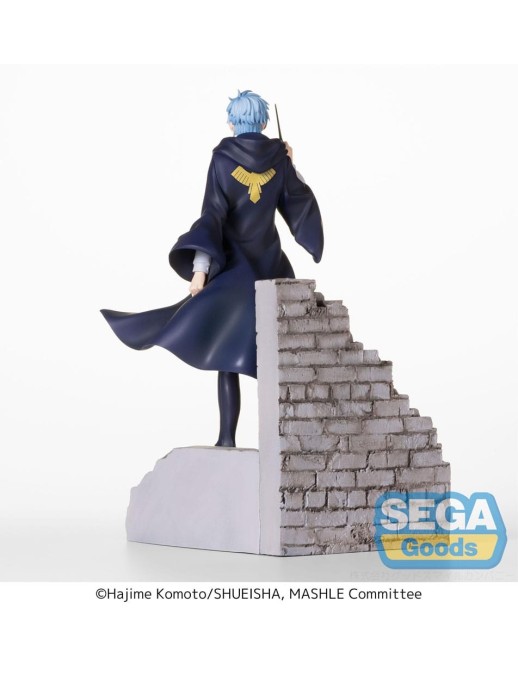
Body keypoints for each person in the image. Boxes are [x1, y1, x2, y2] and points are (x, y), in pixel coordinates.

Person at [101, 90, 323, 447]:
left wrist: (200, 268)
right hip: (271, 267)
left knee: (227, 355)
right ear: (264, 122)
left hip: (236, 270)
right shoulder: (278, 160)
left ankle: (227, 439)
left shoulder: (223, 158)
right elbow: (297, 200)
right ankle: (279, 442)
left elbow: (213, 215)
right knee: (275, 358)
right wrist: (291, 165)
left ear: (233, 122)